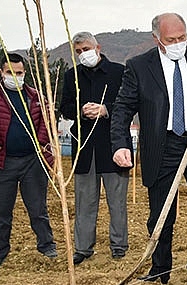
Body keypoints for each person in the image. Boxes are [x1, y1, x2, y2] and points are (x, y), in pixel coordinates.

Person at [110, 13, 187, 285]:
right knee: (161, 213)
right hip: (162, 147)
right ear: (157, 39)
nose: (178, 44)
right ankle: (160, 269)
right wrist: (120, 144)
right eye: (171, 40)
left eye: (182, 38)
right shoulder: (139, 66)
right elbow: (123, 108)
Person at [0, 53, 56, 270]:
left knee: (38, 208)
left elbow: (47, 120)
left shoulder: (35, 96)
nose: (15, 76)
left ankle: (46, 245)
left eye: (19, 73)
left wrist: (41, 142)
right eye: (10, 73)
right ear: (1, 72)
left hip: (33, 161)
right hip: (3, 163)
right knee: (1, 213)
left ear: (25, 73)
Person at [60, 31, 129, 265]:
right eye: (78, 51)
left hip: (113, 147)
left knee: (117, 202)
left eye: (86, 49)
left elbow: (127, 104)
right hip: (84, 149)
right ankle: (82, 247)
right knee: (84, 202)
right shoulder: (72, 77)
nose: (83, 54)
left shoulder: (119, 72)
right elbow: (65, 107)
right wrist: (80, 110)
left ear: (97, 48)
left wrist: (104, 109)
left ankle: (119, 245)